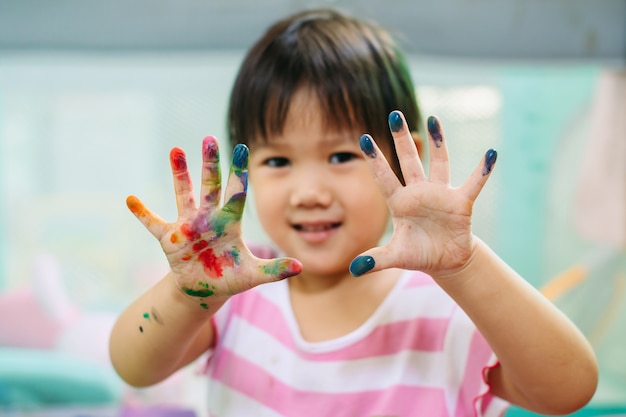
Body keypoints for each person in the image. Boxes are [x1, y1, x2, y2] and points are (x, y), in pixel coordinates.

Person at [109, 8, 598, 417]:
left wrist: (466, 265)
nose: (309, 192)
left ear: (407, 158)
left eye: (342, 156)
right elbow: (135, 366)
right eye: (278, 161)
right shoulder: (236, 290)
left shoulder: (447, 305)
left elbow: (567, 390)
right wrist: (186, 294)